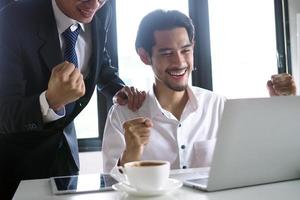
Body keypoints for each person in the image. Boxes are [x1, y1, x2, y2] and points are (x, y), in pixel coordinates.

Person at [102, 9, 297, 173]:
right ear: (144, 56)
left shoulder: (220, 107)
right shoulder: (123, 114)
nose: (179, 62)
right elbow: (109, 187)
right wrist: (130, 154)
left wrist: (283, 108)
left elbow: (262, 161)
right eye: (167, 53)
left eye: (185, 50)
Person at [0, 0, 144, 199]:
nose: (94, 3)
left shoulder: (101, 11)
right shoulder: (12, 20)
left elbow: (97, 60)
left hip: (65, 155)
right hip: (15, 164)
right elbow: (4, 112)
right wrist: (51, 101)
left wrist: (116, 89)